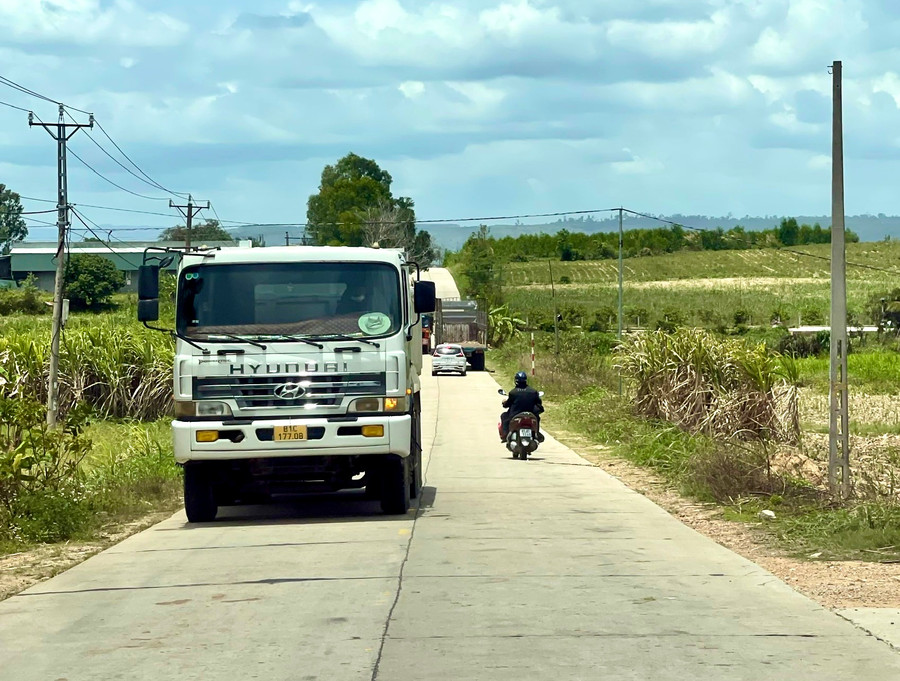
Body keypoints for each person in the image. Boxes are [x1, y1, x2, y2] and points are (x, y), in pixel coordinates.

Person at [500, 371, 544, 441]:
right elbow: (539, 403)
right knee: (537, 418)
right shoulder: (533, 391)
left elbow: (507, 404)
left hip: (515, 415)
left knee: (504, 416)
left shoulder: (513, 392)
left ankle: (505, 435)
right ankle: (537, 433)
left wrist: (504, 402)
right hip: (531, 414)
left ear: (516, 381)